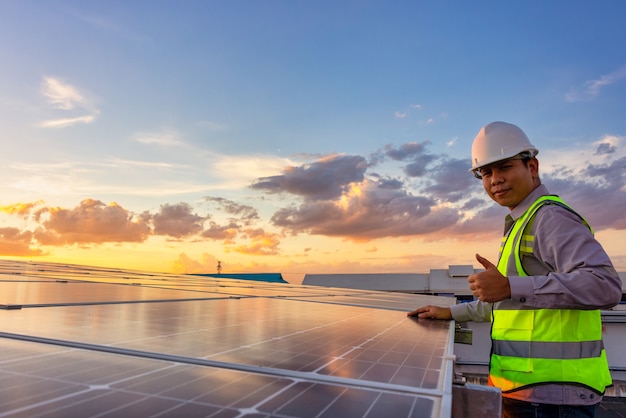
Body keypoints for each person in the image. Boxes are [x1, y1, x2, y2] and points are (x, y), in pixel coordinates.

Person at [408, 121, 622, 418]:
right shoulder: (521, 223)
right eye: (486, 172)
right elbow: (511, 307)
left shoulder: (549, 218)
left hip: (552, 398)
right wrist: (452, 312)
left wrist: (510, 286)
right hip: (531, 392)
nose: (495, 180)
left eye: (505, 167)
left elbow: (605, 286)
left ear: (532, 167)